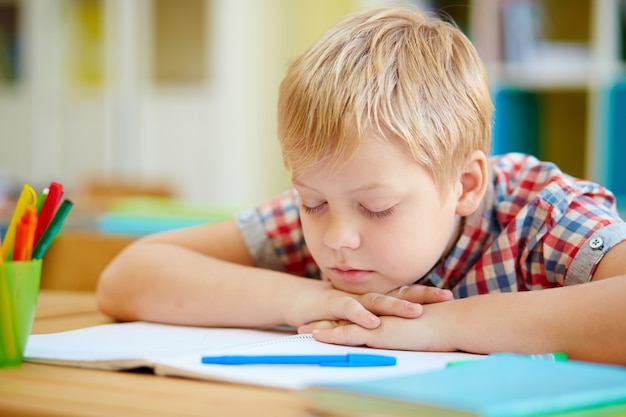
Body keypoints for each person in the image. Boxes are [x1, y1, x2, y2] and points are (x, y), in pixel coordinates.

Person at [97, 6, 626, 365]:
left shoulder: (543, 216)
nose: (336, 238)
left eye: (377, 209)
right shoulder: (336, 205)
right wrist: (303, 299)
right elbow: (128, 276)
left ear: (465, 183)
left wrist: (439, 327)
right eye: (313, 202)